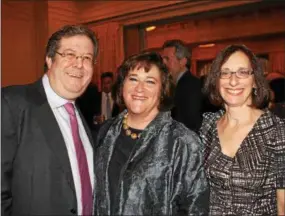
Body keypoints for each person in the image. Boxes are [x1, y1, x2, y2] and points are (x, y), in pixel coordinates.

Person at [93, 51, 209, 215]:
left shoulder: (182, 141)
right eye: (133, 79)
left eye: (150, 81)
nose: (139, 88)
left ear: (162, 90)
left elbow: (195, 208)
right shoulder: (105, 132)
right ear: (122, 86)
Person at [2, 25, 98, 216]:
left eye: (87, 58)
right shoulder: (11, 103)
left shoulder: (80, 115)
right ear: (49, 59)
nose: (79, 64)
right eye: (69, 54)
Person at [200, 44, 285, 215]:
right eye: (225, 73)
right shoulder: (207, 126)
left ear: (255, 81)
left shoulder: (276, 130)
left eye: (243, 72)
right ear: (216, 81)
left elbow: (283, 203)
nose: (233, 81)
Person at [162, 39, 202, 132]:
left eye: (167, 59)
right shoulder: (173, 85)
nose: (163, 63)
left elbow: (189, 124)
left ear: (182, 62)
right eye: (163, 59)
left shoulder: (192, 86)